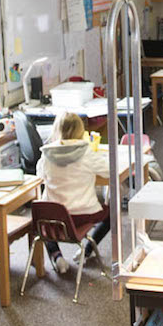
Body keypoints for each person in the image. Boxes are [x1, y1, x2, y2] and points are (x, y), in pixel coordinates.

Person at [36, 111, 111, 274]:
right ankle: (87, 249)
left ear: (57, 130)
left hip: (55, 220)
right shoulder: (87, 153)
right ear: (80, 131)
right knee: (112, 215)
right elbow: (109, 171)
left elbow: (39, 175)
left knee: (41, 221)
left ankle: (57, 258)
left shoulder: (46, 154)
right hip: (83, 214)